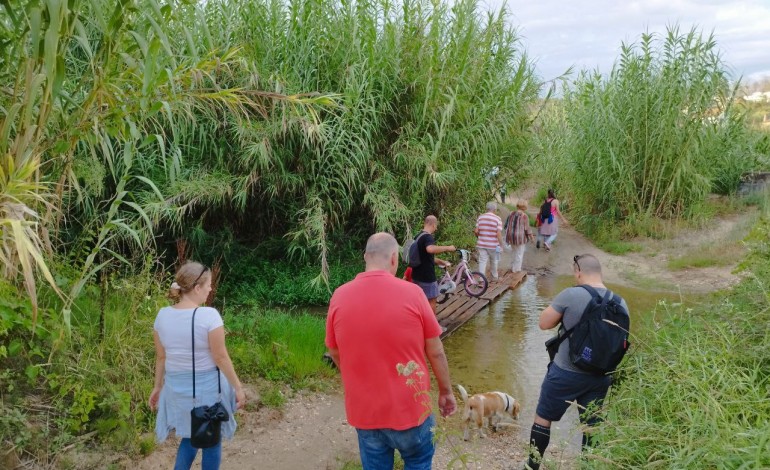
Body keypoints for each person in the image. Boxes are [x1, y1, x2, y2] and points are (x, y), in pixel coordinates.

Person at [326, 233, 457, 470]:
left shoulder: (339, 296)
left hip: (366, 412)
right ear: (395, 259)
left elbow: (335, 351)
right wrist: (445, 391)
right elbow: (435, 351)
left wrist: (359, 378)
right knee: (418, 462)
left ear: (366, 257)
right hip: (412, 411)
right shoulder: (414, 294)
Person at [525, 254, 629, 470]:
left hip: (565, 372)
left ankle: (531, 467)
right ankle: (589, 466)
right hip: (600, 377)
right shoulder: (620, 302)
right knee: (591, 426)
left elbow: (543, 323)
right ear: (599, 272)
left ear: (578, 271)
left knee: (543, 418)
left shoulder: (571, 295)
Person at [149, 261, 246, 470]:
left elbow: (161, 357)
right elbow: (220, 357)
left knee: (191, 435)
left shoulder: (162, 316)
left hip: (177, 391)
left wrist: (157, 387)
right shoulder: (208, 316)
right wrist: (238, 387)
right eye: (209, 284)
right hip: (206, 391)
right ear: (197, 288)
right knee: (210, 440)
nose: (211, 289)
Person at [410, 215, 456, 313]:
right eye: (436, 226)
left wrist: (441, 261)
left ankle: (421, 323)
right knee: (432, 301)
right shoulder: (428, 237)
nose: (436, 228)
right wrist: (448, 248)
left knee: (419, 302)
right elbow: (430, 249)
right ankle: (432, 326)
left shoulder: (418, 236)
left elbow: (425, 256)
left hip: (415, 275)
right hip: (427, 277)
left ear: (425, 223)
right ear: (434, 225)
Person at [474, 201, 504, 281]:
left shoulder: (480, 217)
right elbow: (498, 234)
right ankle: (494, 277)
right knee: (494, 261)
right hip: (494, 245)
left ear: (487, 208)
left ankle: (481, 279)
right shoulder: (498, 219)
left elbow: (476, 231)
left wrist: (480, 238)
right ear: (495, 209)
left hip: (482, 244)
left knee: (482, 261)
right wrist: (501, 245)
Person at [504, 199, 535, 272]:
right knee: (519, 254)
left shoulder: (511, 213)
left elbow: (506, 225)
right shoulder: (524, 216)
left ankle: (512, 267)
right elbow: (527, 229)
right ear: (524, 207)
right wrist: (532, 238)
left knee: (514, 251)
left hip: (510, 236)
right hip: (519, 238)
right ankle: (516, 269)